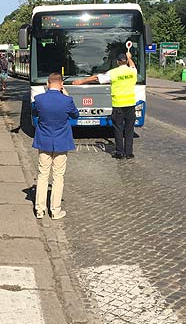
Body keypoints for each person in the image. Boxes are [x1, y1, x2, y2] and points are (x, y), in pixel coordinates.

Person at [32, 72, 79, 220]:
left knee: (42, 174)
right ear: (61, 85)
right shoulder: (67, 100)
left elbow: (35, 113)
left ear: (47, 84)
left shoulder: (39, 99)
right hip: (61, 142)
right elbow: (75, 115)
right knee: (58, 176)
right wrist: (65, 94)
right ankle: (55, 210)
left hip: (44, 141)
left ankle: (40, 209)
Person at [73, 51, 137, 159]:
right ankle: (129, 153)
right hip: (131, 105)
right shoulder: (133, 72)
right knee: (129, 129)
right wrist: (129, 57)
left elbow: (96, 78)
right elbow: (132, 65)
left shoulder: (113, 73)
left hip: (119, 105)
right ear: (126, 62)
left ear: (117, 62)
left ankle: (120, 152)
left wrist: (82, 81)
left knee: (118, 129)